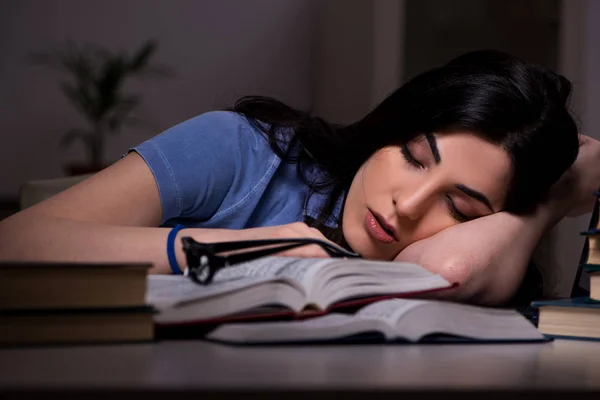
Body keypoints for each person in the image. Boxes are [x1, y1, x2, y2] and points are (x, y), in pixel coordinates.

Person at [1, 50, 599, 306]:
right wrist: (271, 250)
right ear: (394, 125)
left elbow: (447, 273)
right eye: (414, 156)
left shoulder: (459, 254)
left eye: (462, 210)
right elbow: (14, 245)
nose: (408, 205)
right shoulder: (239, 148)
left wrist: (550, 202)